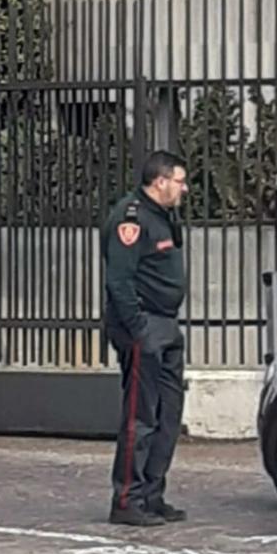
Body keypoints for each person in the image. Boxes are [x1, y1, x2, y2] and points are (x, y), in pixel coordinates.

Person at [102, 150, 190, 527]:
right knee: (141, 416)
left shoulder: (162, 216)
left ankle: (152, 493)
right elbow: (119, 279)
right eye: (179, 181)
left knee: (167, 414)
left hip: (166, 325)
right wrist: (138, 327)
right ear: (160, 181)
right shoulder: (131, 217)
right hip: (145, 326)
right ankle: (127, 498)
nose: (184, 189)